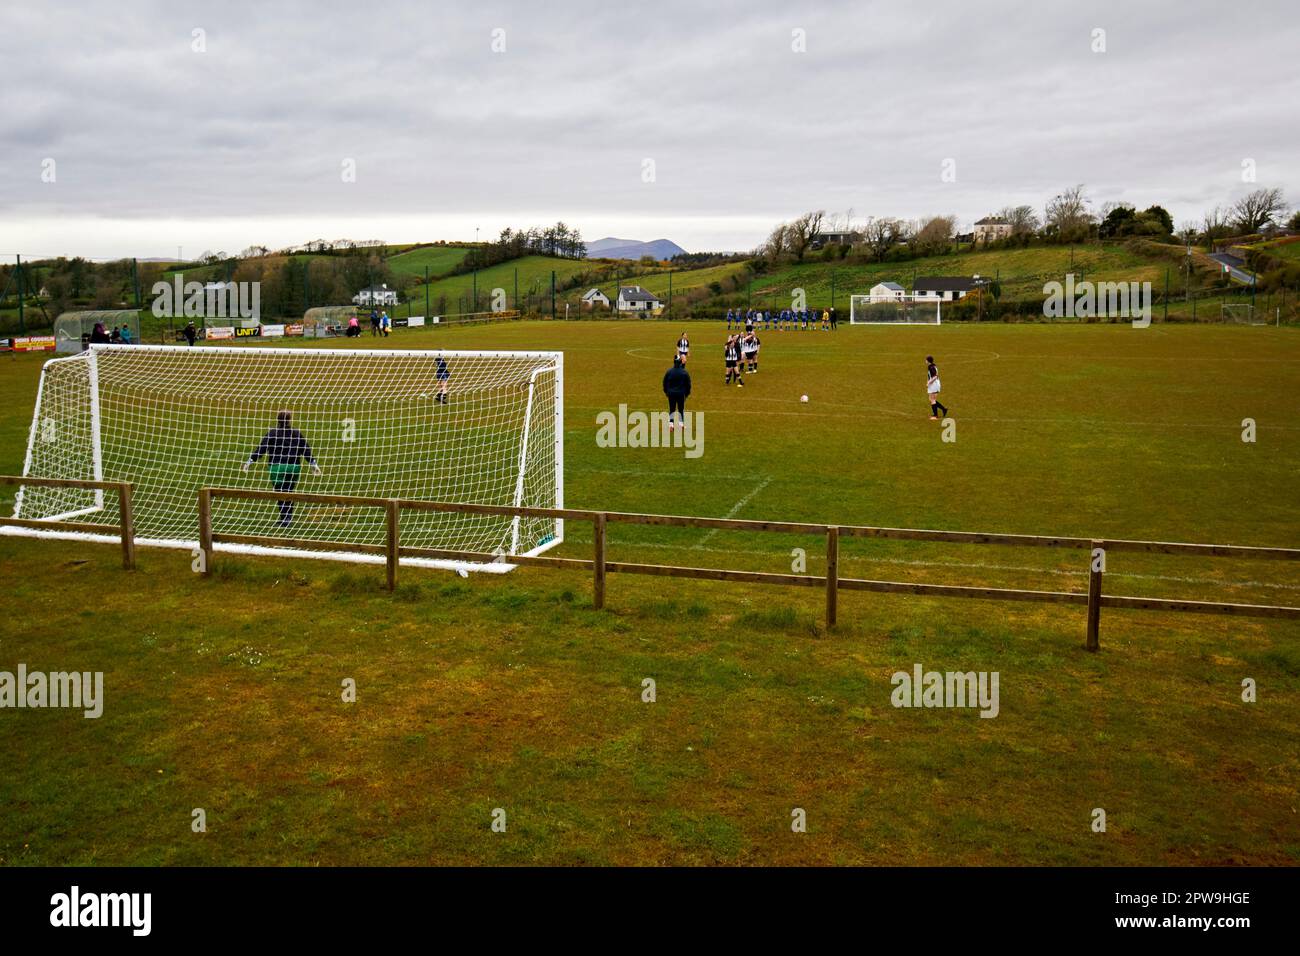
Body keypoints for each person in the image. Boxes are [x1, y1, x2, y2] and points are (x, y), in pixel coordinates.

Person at [242, 410, 321, 526]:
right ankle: (288, 517)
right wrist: (313, 463)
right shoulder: (296, 433)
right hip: (293, 467)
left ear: (278, 420)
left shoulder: (272, 433)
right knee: (289, 491)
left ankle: (284, 518)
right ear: (290, 420)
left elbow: (261, 448)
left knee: (280, 493)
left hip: (276, 467)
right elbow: (306, 449)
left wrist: (250, 461)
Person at [663, 355, 691, 431]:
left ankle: (671, 426)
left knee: (672, 409)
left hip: (671, 393)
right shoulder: (684, 372)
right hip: (681, 394)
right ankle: (681, 425)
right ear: (680, 362)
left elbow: (664, 383)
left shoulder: (669, 372)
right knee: (680, 409)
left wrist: (666, 392)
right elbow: (688, 384)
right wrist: (687, 394)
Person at [926, 355, 949, 420]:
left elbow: (935, 376)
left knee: (932, 399)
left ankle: (935, 416)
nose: (925, 361)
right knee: (932, 399)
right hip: (936, 384)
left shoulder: (931, 367)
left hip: (934, 384)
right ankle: (944, 409)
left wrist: (929, 382)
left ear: (928, 361)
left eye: (926, 360)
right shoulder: (933, 365)